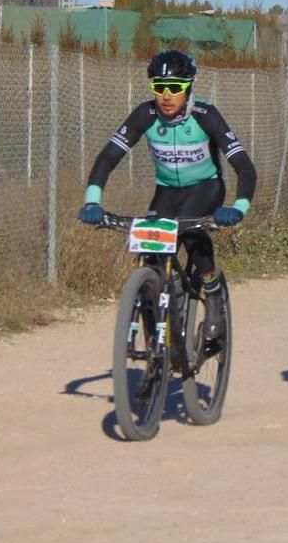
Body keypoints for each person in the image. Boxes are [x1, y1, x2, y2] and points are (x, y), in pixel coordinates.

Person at [78, 49, 257, 339]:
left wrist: (238, 207)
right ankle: (155, 353)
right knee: (151, 255)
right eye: (159, 87)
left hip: (205, 188)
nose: (166, 95)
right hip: (166, 193)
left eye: (175, 88)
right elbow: (108, 159)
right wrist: (92, 200)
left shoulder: (205, 116)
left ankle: (212, 292)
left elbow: (245, 168)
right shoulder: (145, 115)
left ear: (188, 88)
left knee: (190, 229)